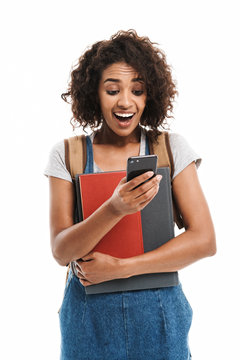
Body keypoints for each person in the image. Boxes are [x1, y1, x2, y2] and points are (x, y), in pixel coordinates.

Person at [44, 30, 216, 360]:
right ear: (94, 93)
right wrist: (115, 207)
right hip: (88, 319)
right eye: (113, 90)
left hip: (160, 317)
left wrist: (122, 268)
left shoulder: (170, 148)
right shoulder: (67, 155)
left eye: (137, 90)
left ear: (149, 95)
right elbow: (62, 251)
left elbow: (205, 241)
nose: (126, 102)